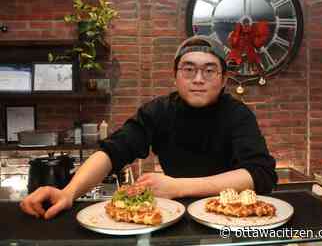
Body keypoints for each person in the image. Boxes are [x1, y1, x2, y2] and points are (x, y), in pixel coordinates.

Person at [20, 35, 277, 219]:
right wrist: (68, 192)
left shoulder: (238, 114)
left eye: (209, 71)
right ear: (175, 77)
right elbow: (113, 152)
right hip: (174, 217)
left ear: (223, 81)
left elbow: (260, 174)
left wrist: (178, 187)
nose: (198, 79)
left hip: (233, 218)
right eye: (189, 70)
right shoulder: (158, 111)